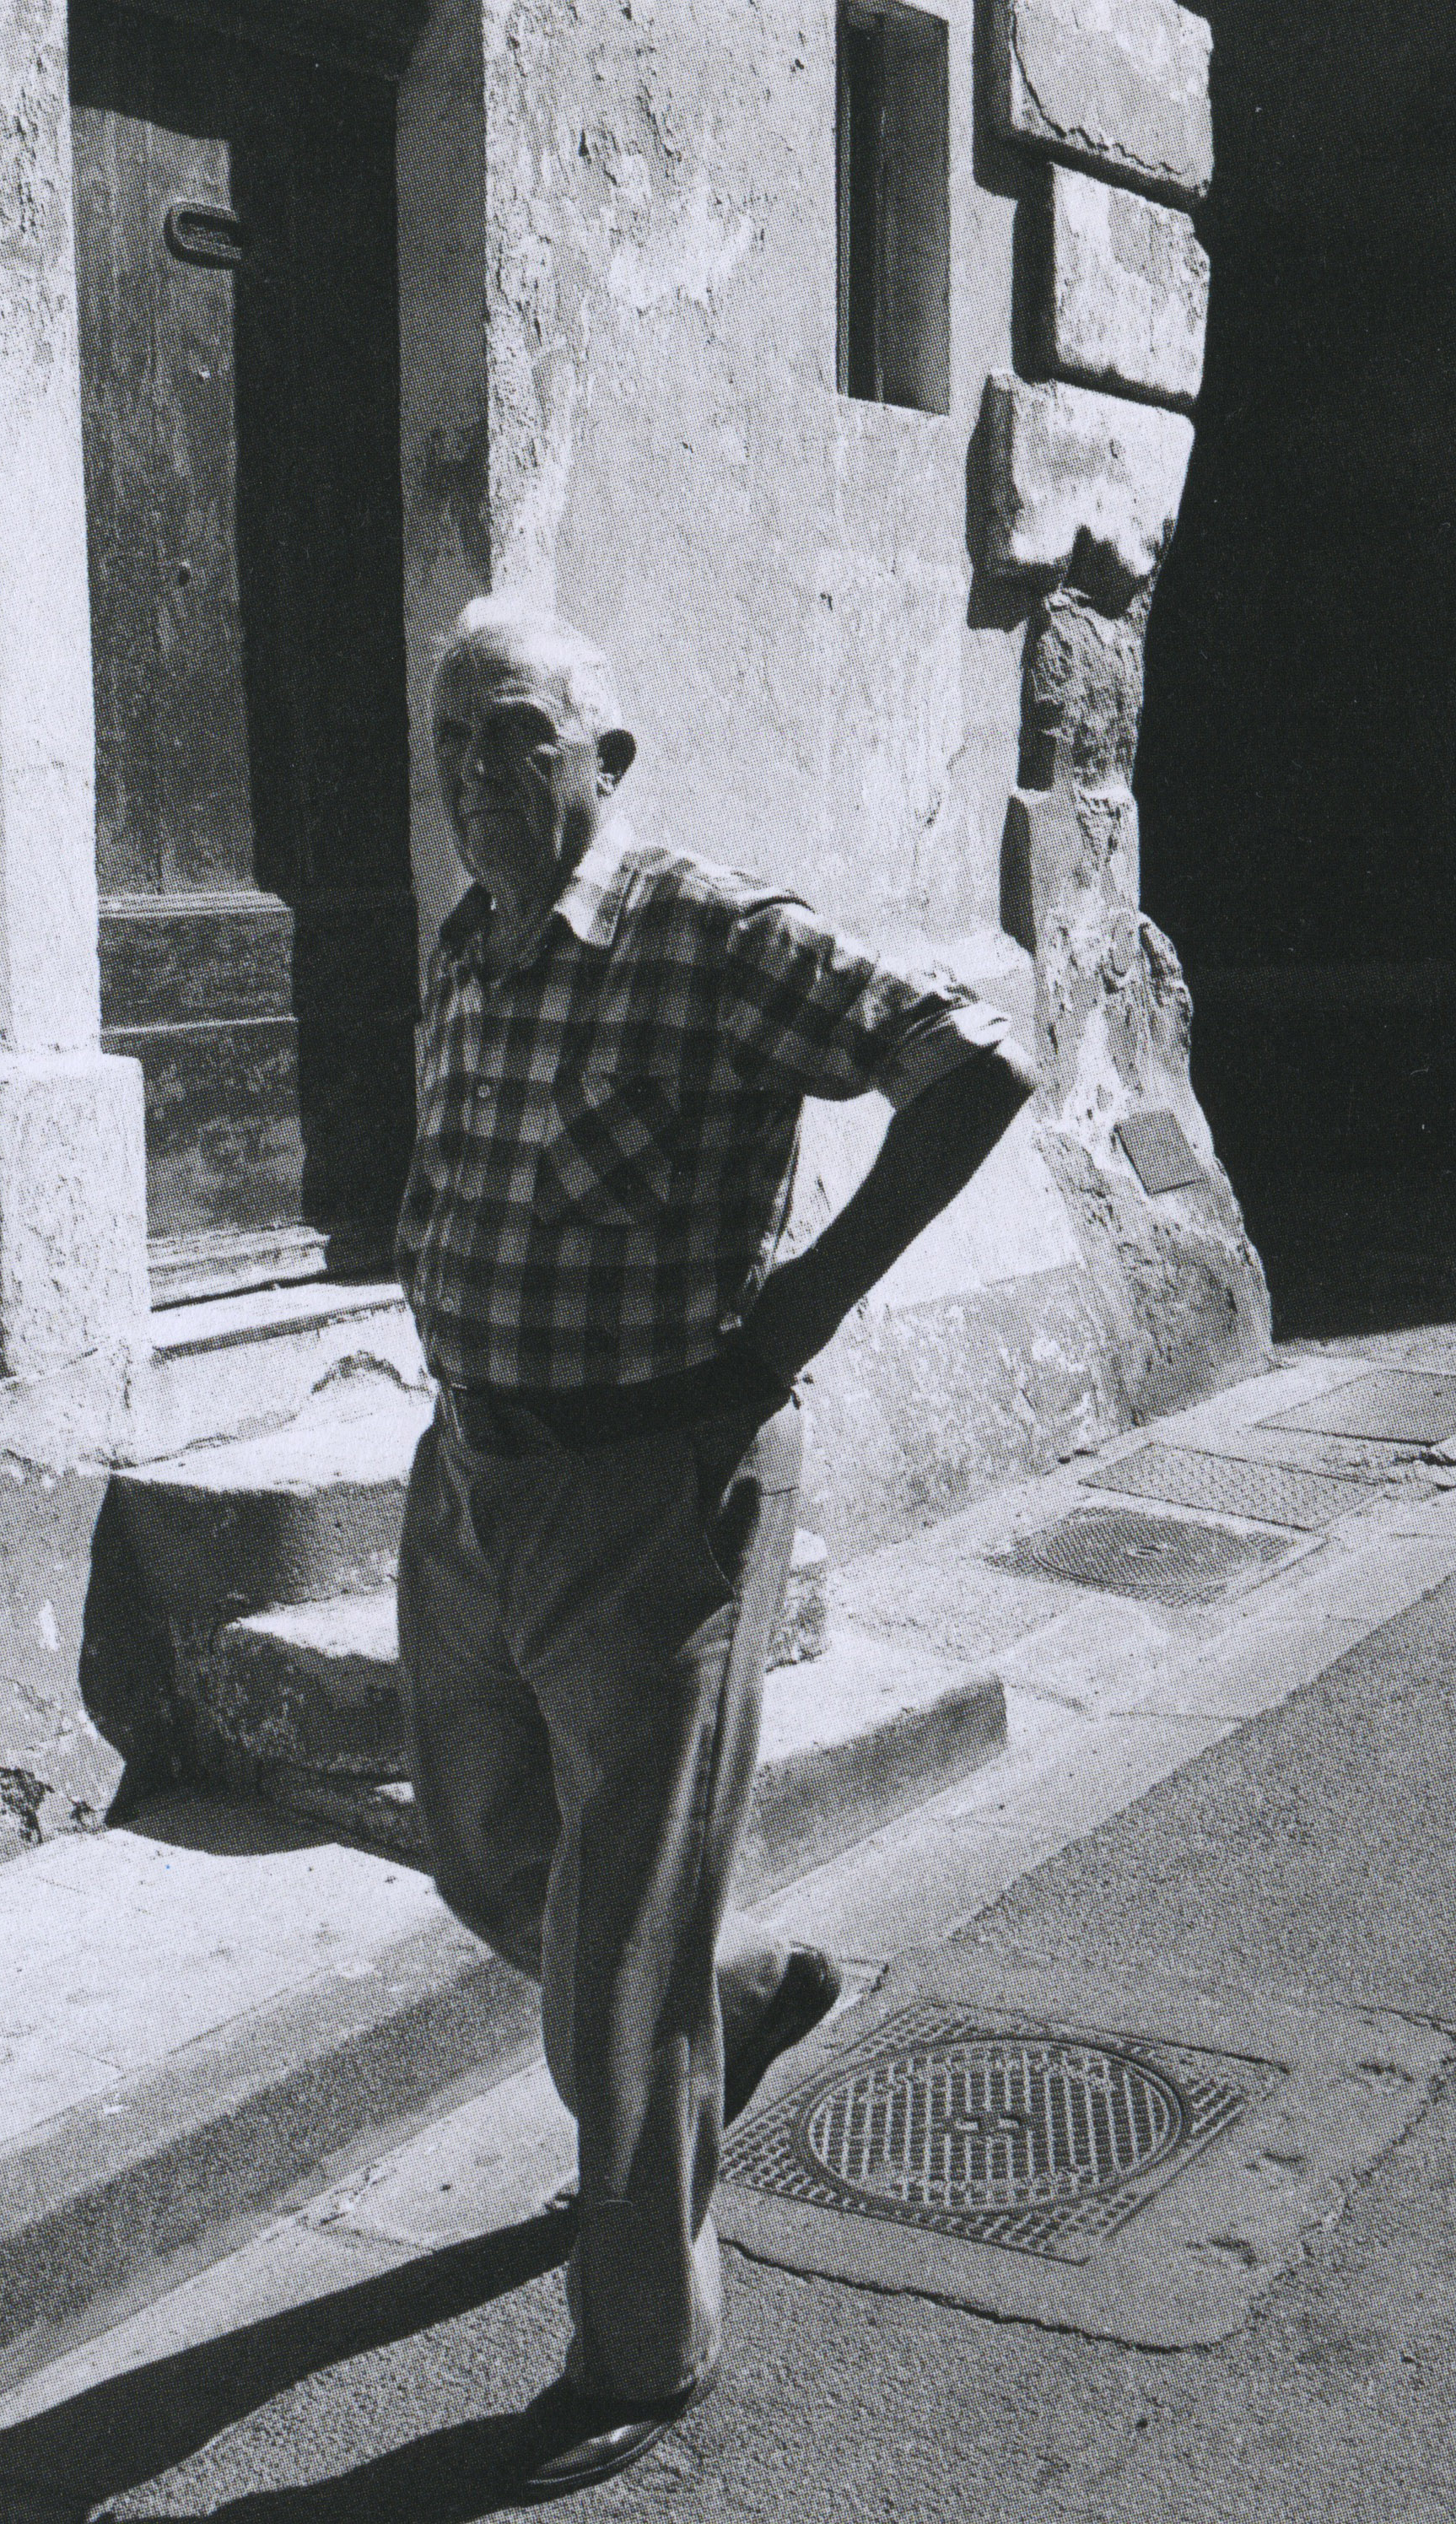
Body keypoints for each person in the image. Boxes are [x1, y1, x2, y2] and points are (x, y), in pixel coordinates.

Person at [394, 595, 1038, 2494]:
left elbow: (968, 1061)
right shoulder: (466, 939)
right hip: (474, 1473)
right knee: (486, 1846)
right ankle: (725, 2002)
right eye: (448, 741)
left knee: (612, 1942)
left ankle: (640, 2348)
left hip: (652, 1490)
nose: (474, 777)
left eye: (514, 734)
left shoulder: (704, 933)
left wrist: (791, 1322)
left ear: (607, 756)